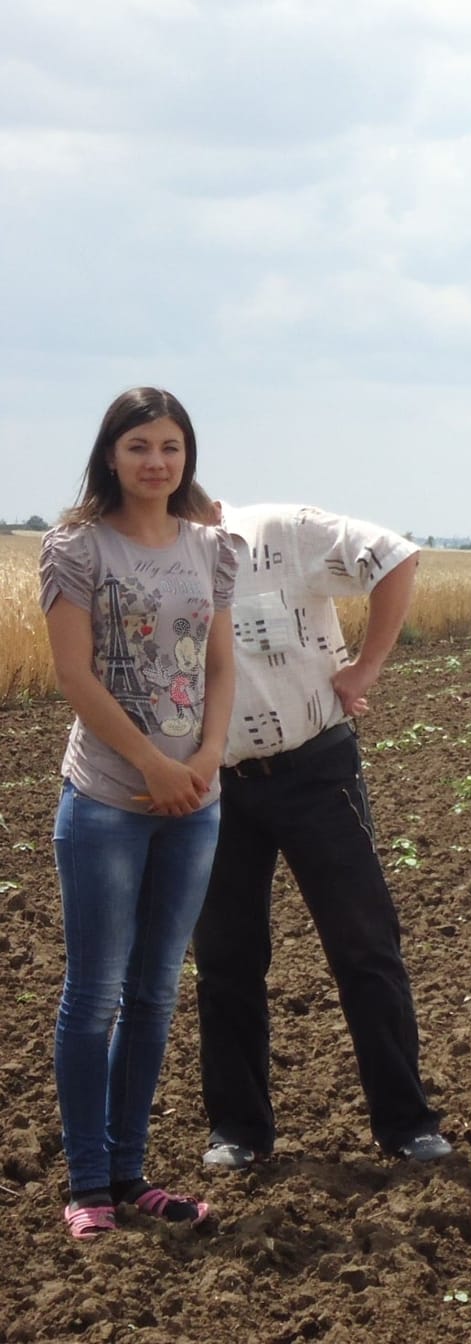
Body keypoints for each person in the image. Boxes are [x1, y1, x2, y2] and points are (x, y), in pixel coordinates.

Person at [188, 498, 449, 1170]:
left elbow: (395, 555)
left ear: (212, 503)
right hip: (217, 786)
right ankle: (238, 1132)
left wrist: (365, 667)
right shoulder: (158, 563)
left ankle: (406, 1123)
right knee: (226, 960)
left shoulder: (280, 533)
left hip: (314, 770)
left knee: (365, 945)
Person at [38, 389, 236, 1240]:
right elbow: (76, 677)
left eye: (170, 446)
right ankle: (87, 1185)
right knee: (94, 998)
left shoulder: (214, 549)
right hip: (110, 802)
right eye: (138, 446)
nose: (156, 462)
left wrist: (202, 762)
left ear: (186, 457)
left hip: (194, 801)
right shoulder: (76, 548)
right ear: (110, 456)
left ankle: (132, 1173)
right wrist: (153, 763)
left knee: (156, 994)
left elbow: (222, 667)